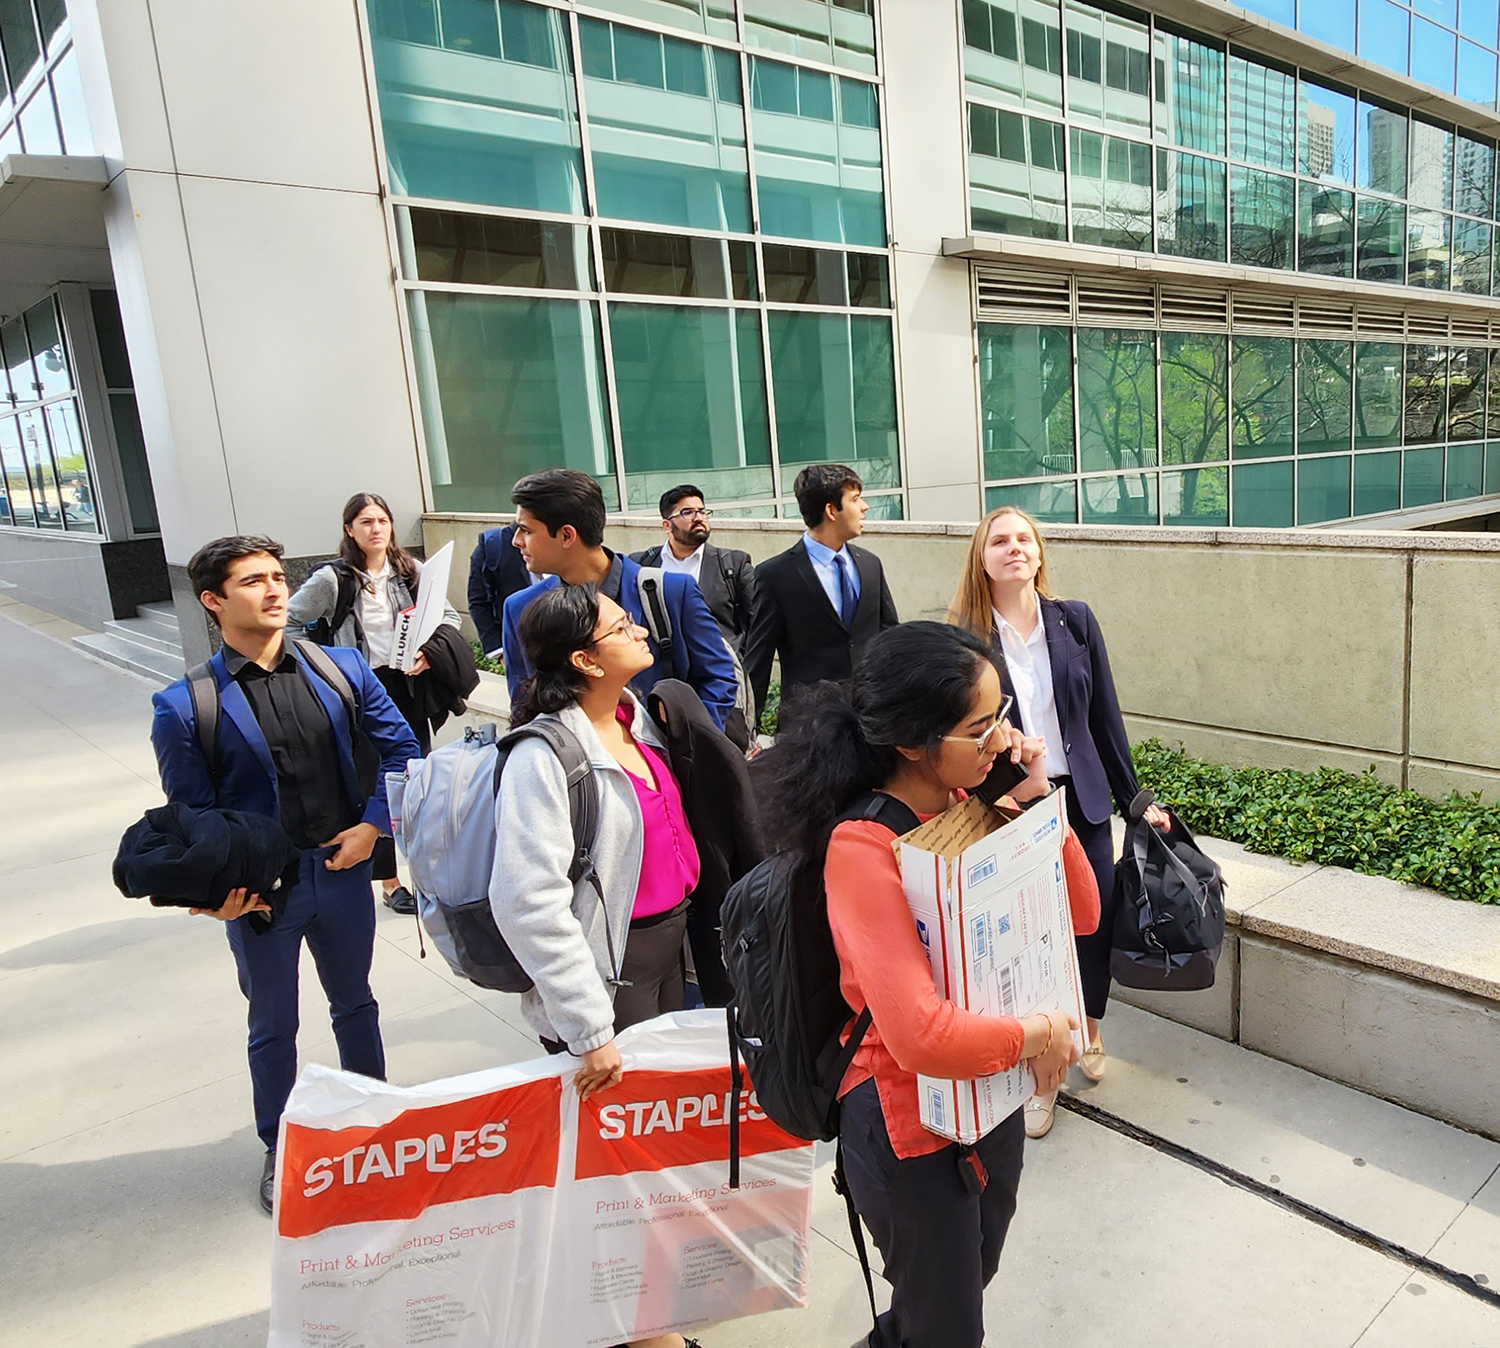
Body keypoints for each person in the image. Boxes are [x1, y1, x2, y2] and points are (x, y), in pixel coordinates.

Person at [763, 622, 1095, 1348]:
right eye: (982, 727)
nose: (1002, 740)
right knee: (948, 1324)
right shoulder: (864, 845)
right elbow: (919, 1035)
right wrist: (1043, 1034)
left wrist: (1035, 799)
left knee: (966, 1277)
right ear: (914, 741)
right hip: (908, 1127)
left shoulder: (970, 801)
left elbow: (1083, 910)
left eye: (1003, 716)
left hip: (990, 1095)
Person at [151, 535, 421, 1214]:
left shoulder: (342, 669)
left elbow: (403, 750)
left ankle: (377, 1124)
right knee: (273, 1025)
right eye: (251, 581)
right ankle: (285, 1146)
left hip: (340, 868)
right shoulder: (186, 704)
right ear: (213, 601)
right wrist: (217, 896)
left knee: (355, 1003)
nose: (273, 590)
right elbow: (194, 817)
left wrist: (373, 828)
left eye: (276, 576)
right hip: (260, 894)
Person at [492, 585, 706, 1348]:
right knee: (613, 1158)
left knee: (651, 1143)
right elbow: (526, 902)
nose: (640, 628)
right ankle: (637, 1324)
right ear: (584, 660)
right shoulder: (546, 757)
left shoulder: (632, 719)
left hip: (665, 955)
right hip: (606, 982)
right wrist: (587, 1027)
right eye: (621, 627)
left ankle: (649, 1295)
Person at [947, 505, 1169, 1140]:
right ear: (981, 557)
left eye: (1025, 539)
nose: (1015, 548)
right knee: (1030, 937)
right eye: (1000, 541)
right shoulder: (963, 636)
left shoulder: (1074, 621)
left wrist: (1135, 797)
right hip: (1011, 804)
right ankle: (1041, 1074)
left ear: (1039, 553)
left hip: (1085, 798)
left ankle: (1088, 1026)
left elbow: (1105, 715)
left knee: (1090, 920)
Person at [285, 492, 461, 915]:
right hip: (360, 689)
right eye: (365, 522)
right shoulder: (333, 579)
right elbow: (289, 623)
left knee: (415, 778)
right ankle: (388, 880)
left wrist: (427, 653)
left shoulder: (411, 572)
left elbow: (450, 617)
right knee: (374, 783)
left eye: (382, 521)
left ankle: (426, 873)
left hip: (408, 685)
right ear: (349, 530)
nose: (376, 529)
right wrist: (329, 664)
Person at [500, 469, 737, 733]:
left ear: (567, 535)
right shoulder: (520, 609)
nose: (516, 541)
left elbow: (719, 679)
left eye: (526, 530)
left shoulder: (670, 592)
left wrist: (686, 748)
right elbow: (524, 707)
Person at [742, 463, 898, 728]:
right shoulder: (776, 574)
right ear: (831, 510)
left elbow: (891, 638)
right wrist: (745, 732)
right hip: (808, 728)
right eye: (855, 499)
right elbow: (759, 659)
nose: (865, 507)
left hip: (871, 720)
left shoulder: (871, 564)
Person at [629, 485, 757, 651]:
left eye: (702, 511)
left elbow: (757, 622)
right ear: (667, 525)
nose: (698, 518)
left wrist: (741, 664)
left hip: (720, 668)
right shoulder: (642, 565)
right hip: (666, 669)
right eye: (687, 512)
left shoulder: (733, 564)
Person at [468, 521, 540, 660]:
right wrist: (501, 653)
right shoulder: (494, 545)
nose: (517, 541)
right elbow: (478, 601)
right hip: (519, 651)